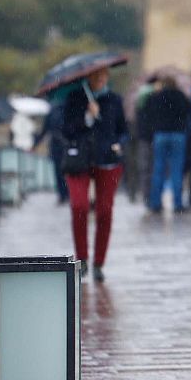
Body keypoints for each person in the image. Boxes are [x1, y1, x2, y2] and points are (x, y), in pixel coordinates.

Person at [62, 67, 129, 282]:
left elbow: (123, 130)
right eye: (96, 76)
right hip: (80, 159)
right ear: (88, 77)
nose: (101, 80)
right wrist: (87, 117)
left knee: (104, 211)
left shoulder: (114, 99)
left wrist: (119, 144)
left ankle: (99, 262)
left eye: (104, 76)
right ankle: (81, 259)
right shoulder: (75, 98)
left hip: (107, 159)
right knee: (79, 206)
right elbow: (66, 130)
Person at [143, 76, 190, 213]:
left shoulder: (155, 97)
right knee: (176, 170)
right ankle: (177, 203)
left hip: (160, 134)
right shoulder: (181, 97)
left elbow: (148, 113)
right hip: (178, 135)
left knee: (158, 170)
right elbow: (188, 112)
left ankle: (156, 202)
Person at [33, 102, 68, 204]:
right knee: (67, 171)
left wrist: (35, 144)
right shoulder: (69, 109)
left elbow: (44, 130)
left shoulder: (52, 112)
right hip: (66, 146)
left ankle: (62, 194)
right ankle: (66, 194)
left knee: (58, 172)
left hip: (57, 146)